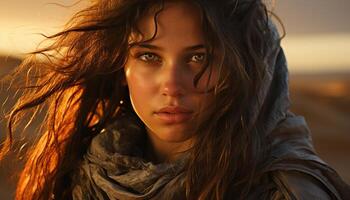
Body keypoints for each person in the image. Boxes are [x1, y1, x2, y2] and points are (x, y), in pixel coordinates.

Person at [1, 0, 349, 199]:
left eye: (198, 57)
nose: (172, 84)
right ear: (119, 65)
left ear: (245, 71)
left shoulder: (288, 191)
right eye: (149, 57)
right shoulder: (80, 175)